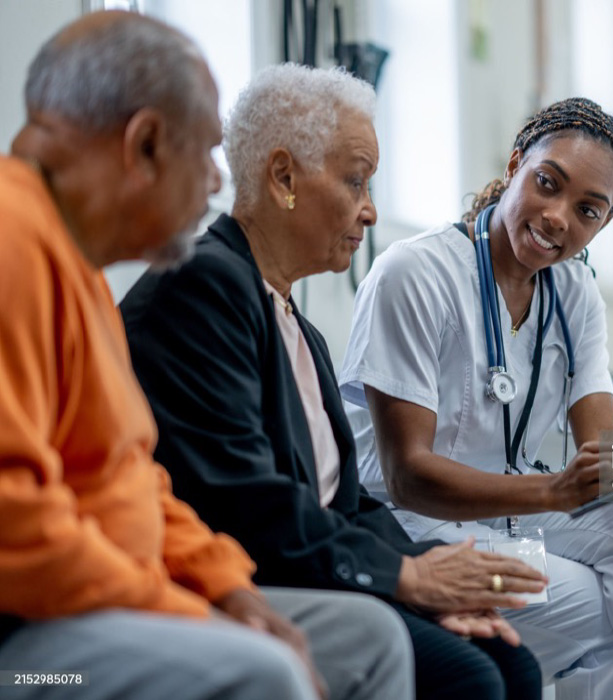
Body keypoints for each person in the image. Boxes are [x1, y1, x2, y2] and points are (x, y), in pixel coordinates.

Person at [0, 12, 414, 700]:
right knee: (262, 669)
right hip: (23, 651)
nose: (217, 183)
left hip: (102, 598)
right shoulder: (14, 245)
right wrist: (185, 606)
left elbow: (130, 484)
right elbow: (14, 525)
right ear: (147, 145)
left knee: (367, 639)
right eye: (206, 154)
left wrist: (224, 586)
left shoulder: (81, 275)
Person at [119, 63, 545, 700]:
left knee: (512, 662)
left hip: (309, 563)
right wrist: (405, 578)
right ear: (284, 176)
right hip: (250, 575)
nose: (370, 210)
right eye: (356, 180)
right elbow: (243, 500)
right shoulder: (204, 286)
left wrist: (427, 573)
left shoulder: (296, 323)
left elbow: (344, 502)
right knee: (468, 677)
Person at [339, 97, 613, 699]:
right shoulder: (415, 273)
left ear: (602, 226)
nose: (558, 218)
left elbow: (605, 449)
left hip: (514, 510)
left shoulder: (575, 290)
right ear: (514, 166)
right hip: (411, 525)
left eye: (587, 210)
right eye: (547, 184)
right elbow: (405, 478)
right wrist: (553, 490)